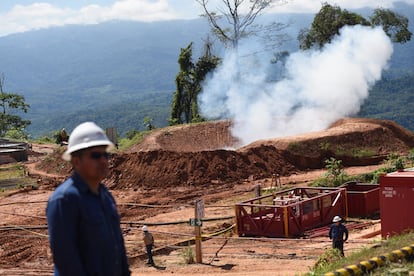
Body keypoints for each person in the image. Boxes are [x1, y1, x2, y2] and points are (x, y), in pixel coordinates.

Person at [46, 122, 130, 276]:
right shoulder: (64, 200)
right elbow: (67, 262)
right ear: (76, 161)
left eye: (106, 154)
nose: (104, 160)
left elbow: (118, 247)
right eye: (96, 155)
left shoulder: (106, 195)